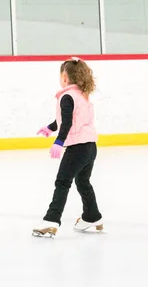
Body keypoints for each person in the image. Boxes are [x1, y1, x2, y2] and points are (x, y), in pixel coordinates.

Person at [32, 57, 104, 237]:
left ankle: (51, 220)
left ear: (64, 77)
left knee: (62, 182)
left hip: (77, 148)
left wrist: (59, 141)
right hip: (90, 147)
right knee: (82, 182)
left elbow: (68, 123)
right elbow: (65, 119)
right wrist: (50, 128)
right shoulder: (82, 94)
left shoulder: (66, 96)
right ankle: (92, 215)